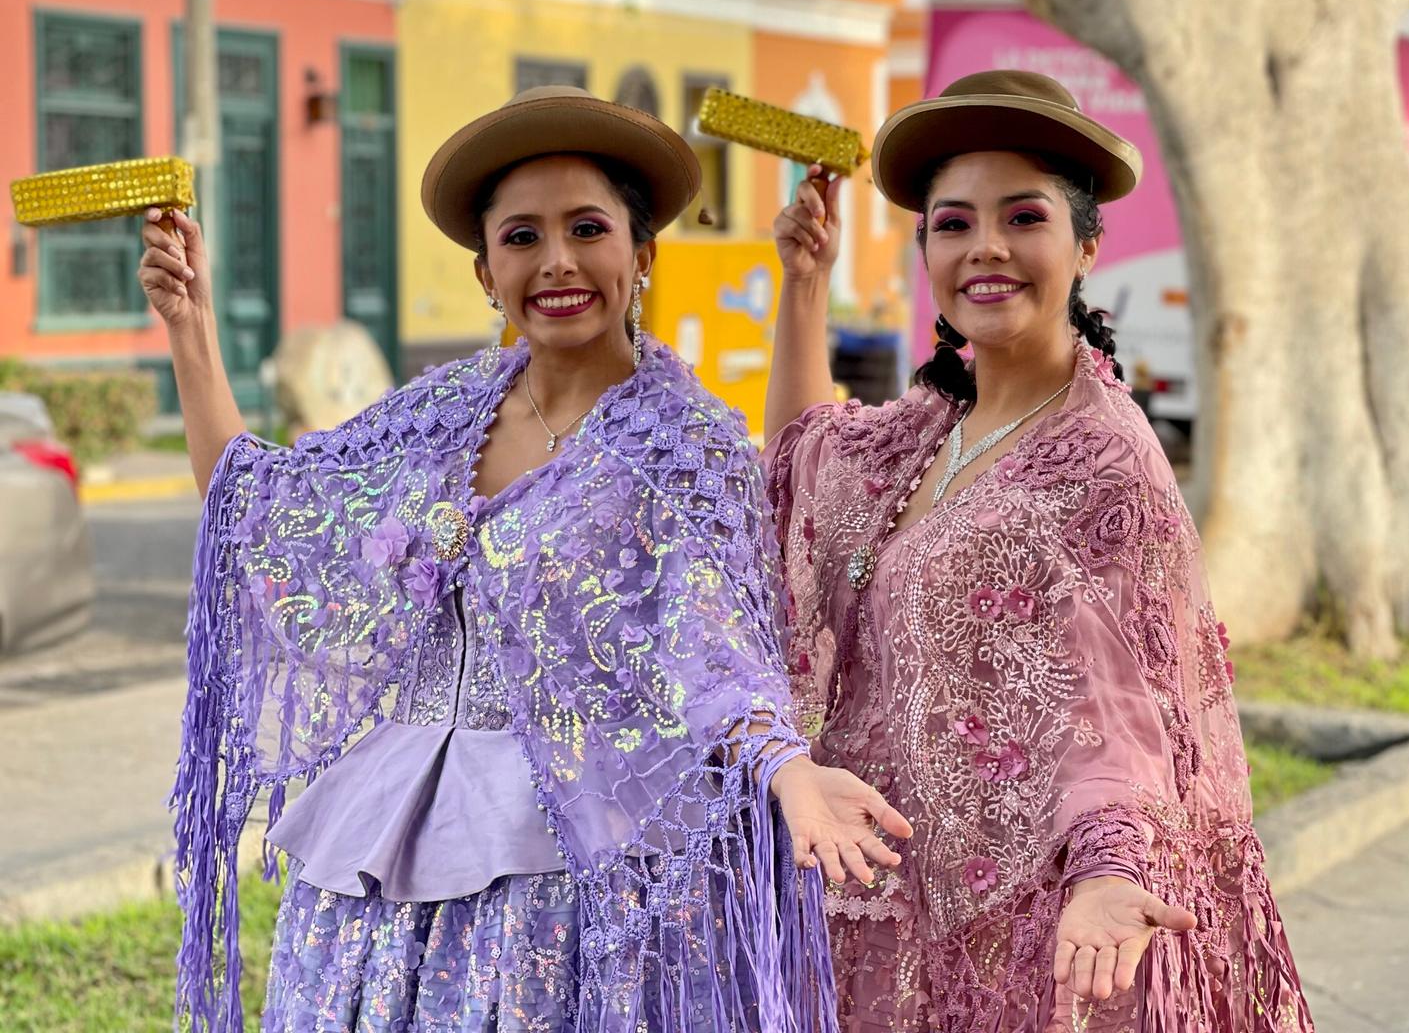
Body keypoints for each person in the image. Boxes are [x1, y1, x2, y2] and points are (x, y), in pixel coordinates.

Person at [143, 85, 911, 1033]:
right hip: (389, 861)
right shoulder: (441, 414)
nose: (557, 262)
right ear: (484, 274)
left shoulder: (690, 445)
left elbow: (720, 653)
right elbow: (262, 510)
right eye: (521, 238)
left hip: (578, 882)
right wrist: (191, 325)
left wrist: (788, 771)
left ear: (643, 256)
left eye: (588, 229)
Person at [762, 71, 1313, 1032]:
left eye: (1023, 218)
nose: (986, 248)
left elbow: (1126, 711)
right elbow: (804, 461)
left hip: (1022, 935)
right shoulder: (928, 430)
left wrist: (1110, 872)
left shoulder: (1103, 460)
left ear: (1086, 246)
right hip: (878, 903)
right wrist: (805, 281)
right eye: (953, 222)